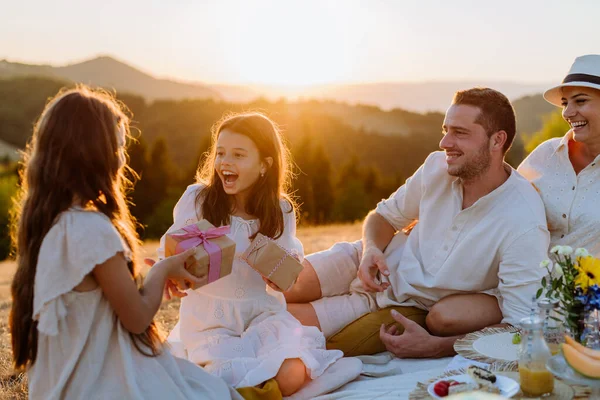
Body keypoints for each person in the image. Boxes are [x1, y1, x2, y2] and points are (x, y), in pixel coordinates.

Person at [9, 86, 242, 399]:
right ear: (94, 156)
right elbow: (136, 318)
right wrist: (164, 269)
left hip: (63, 383)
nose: (122, 160)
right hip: (95, 384)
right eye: (118, 149)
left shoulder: (51, 222)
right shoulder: (91, 229)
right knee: (214, 392)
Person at [286, 88, 550, 358]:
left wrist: (437, 347)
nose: (444, 143)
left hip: (396, 301)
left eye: (459, 133)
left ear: (497, 141)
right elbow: (383, 216)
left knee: (281, 320)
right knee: (279, 284)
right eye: (445, 130)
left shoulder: (523, 220)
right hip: (369, 259)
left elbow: (520, 327)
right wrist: (371, 249)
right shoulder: (437, 166)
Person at [159, 112, 356, 397]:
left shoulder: (280, 209)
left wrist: (281, 277)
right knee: (220, 375)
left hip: (262, 316)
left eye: (239, 155)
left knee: (294, 372)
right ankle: (244, 392)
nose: (225, 162)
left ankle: (253, 393)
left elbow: (290, 263)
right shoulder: (198, 200)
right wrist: (177, 273)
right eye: (221, 153)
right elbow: (173, 247)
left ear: (264, 165)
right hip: (210, 321)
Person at [518, 54, 600, 257]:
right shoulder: (545, 155)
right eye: (565, 103)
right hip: (528, 284)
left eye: (580, 101)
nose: (567, 113)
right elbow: (508, 208)